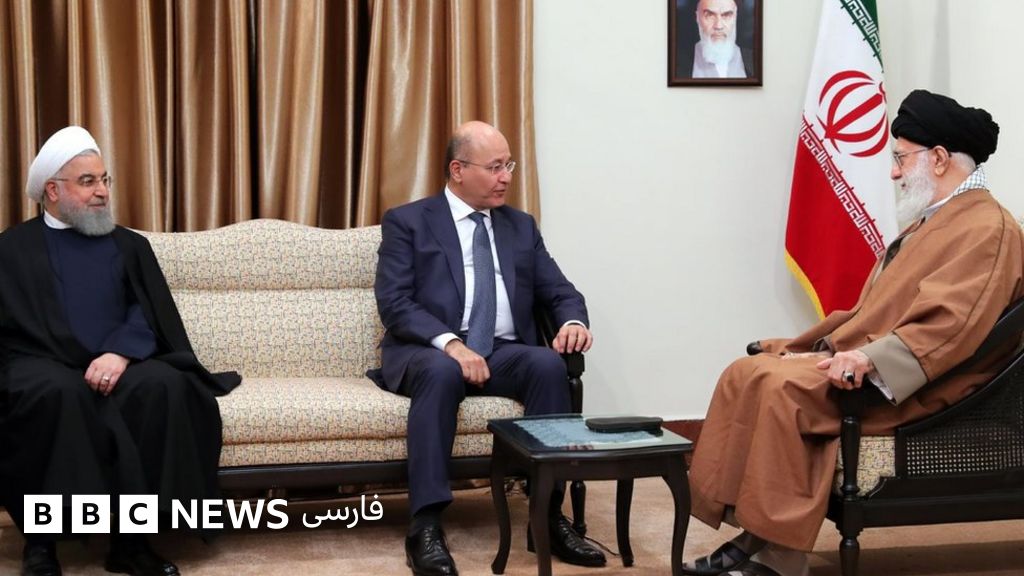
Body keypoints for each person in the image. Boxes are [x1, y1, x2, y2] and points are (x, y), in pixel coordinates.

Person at [683, 90, 1024, 576]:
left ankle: (781, 555)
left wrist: (870, 359)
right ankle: (756, 532)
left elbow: (953, 325)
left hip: (924, 384)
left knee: (782, 390)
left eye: (900, 158)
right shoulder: (942, 219)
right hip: (887, 364)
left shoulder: (988, 227)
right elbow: (874, 311)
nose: (894, 173)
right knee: (748, 372)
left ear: (940, 159)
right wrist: (813, 348)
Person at [0, 126, 241, 576]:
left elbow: (149, 313)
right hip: (44, 364)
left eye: (104, 179)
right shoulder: (12, 249)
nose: (102, 191)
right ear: (52, 191)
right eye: (87, 181)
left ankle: (131, 542)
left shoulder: (129, 245)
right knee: (53, 394)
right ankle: (42, 545)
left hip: (120, 362)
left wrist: (121, 353)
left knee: (165, 387)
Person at [370, 120, 604, 575]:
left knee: (547, 365)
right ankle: (425, 525)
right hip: (430, 351)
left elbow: (559, 291)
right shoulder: (408, 221)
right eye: (495, 167)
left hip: (500, 351)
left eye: (508, 166)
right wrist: (453, 345)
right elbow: (394, 303)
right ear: (458, 170)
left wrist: (572, 322)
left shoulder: (520, 226)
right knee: (441, 372)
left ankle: (547, 517)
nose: (506, 177)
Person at [678, 0, 752, 79]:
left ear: (735, 17)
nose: (718, 26)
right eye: (710, 15)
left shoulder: (754, 61)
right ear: (697, 17)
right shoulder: (677, 64)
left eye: (726, 15)